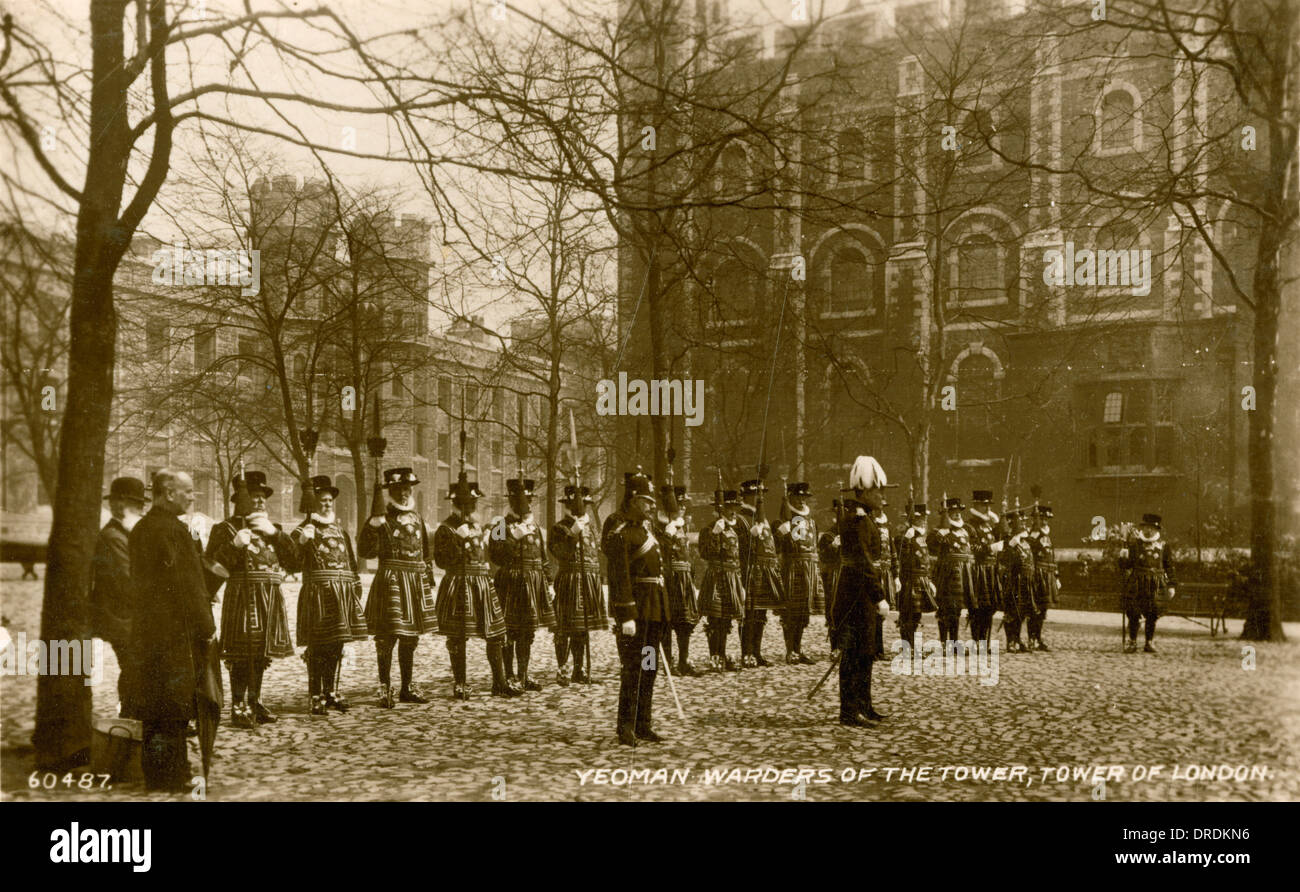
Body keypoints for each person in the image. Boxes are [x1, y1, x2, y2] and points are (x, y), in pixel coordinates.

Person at [129, 470, 216, 792]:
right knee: (176, 705)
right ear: (169, 492)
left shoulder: (142, 528)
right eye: (188, 491)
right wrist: (206, 625)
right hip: (175, 634)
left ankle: (156, 773)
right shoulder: (172, 530)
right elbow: (188, 585)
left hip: (148, 632)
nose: (193, 496)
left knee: (154, 705)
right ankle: (174, 774)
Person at [206, 470, 297, 728]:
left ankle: (255, 701)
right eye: (254, 496)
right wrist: (234, 545)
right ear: (239, 499)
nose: (259, 501)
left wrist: (277, 535)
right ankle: (238, 704)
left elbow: (294, 562)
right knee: (242, 652)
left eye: (262, 497)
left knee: (261, 653)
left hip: (270, 597)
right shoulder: (224, 529)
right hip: (242, 598)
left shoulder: (272, 529)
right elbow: (211, 566)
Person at [360, 467, 438, 708]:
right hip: (391, 581)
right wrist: (373, 526)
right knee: (387, 637)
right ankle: (385, 687)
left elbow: (425, 552)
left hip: (413, 582)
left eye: (407, 489)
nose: (404, 494)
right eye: (399, 489)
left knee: (410, 638)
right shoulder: (381, 518)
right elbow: (365, 551)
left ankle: (407, 686)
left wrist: (427, 577)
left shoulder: (417, 518)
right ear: (390, 491)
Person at [434, 474, 516, 698]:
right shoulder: (446, 529)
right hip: (459, 584)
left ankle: (499, 682)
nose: (471, 508)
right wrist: (456, 541)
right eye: (466, 505)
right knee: (459, 636)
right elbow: (441, 561)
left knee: (496, 634)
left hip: (482, 583)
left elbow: (499, 551)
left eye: (473, 504)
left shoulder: (483, 527)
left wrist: (506, 535)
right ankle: (460, 683)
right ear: (455, 505)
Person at [606, 473, 672, 746]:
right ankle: (625, 726)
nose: (650, 506)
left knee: (649, 666)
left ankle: (643, 723)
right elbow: (619, 575)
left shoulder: (647, 531)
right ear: (633, 500)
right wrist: (626, 615)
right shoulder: (620, 533)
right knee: (632, 669)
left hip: (654, 610)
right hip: (637, 612)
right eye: (645, 501)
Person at [292, 476, 366, 715]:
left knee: (336, 645)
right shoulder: (303, 530)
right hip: (317, 595)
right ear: (313, 503)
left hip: (341, 596)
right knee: (318, 647)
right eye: (322, 501)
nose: (326, 505)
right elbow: (291, 563)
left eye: (329, 501)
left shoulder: (340, 530)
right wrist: (302, 541)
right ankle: (315, 695)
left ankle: (331, 691)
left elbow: (351, 563)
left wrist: (355, 586)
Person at [830, 456, 892, 727]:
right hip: (855, 596)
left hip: (859, 594)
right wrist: (879, 596)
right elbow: (865, 563)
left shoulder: (863, 518)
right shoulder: (856, 520)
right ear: (864, 491)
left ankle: (864, 705)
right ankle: (849, 711)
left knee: (866, 651)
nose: (882, 496)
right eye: (878, 490)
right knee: (854, 653)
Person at [490, 478, 555, 692]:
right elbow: (496, 556)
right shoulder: (500, 523)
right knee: (510, 630)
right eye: (520, 500)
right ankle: (508, 676)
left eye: (528, 500)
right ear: (511, 500)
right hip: (511, 582)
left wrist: (549, 582)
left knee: (527, 632)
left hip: (533, 582)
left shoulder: (534, 525)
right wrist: (514, 537)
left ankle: (523, 675)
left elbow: (543, 556)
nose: (525, 504)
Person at [91, 476, 148, 717]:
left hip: (130, 616)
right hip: (122, 618)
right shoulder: (113, 537)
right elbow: (128, 580)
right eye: (136, 505)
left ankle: (136, 718)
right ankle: (131, 720)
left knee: (137, 670)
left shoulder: (126, 534)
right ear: (120, 505)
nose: (141, 511)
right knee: (135, 670)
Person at [549, 484, 608, 685]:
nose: (582, 509)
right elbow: (560, 553)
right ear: (567, 506)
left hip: (588, 580)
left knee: (582, 628)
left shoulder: (590, 528)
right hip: (570, 581)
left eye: (585, 505)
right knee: (564, 626)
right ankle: (562, 668)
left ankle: (579, 669)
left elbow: (596, 555)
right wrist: (573, 533)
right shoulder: (559, 528)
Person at [697, 487, 746, 671]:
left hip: (732, 577)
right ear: (721, 508)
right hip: (717, 577)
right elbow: (705, 553)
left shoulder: (735, 530)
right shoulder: (709, 528)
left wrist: (740, 583)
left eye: (735, 507)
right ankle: (714, 656)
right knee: (715, 618)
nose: (732, 511)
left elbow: (736, 557)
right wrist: (714, 535)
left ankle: (723, 654)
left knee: (726, 619)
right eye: (728, 507)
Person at [775, 481, 823, 664]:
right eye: (798, 497)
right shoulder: (784, 520)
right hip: (793, 569)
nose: (802, 501)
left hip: (809, 569)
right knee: (791, 611)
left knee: (803, 612)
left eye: (804, 497)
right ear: (791, 499)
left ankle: (798, 648)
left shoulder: (811, 521)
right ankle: (790, 650)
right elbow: (776, 548)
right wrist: (780, 533)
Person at [737, 479, 783, 667]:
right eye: (756, 495)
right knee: (748, 614)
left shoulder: (761, 518)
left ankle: (756, 651)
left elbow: (770, 547)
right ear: (747, 496)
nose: (759, 498)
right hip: (748, 570)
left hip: (764, 572)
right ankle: (746, 653)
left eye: (762, 495)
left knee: (760, 614)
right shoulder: (741, 519)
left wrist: (778, 534)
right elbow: (738, 548)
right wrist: (750, 536)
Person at [657, 484, 701, 676]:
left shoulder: (683, 526)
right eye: (679, 504)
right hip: (668, 579)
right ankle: (667, 662)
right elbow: (658, 553)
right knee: (666, 622)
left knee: (685, 623)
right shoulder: (658, 527)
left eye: (684, 505)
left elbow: (687, 554)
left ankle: (684, 660)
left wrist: (691, 575)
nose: (682, 508)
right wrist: (667, 534)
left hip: (683, 579)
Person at [1119, 513, 1176, 653]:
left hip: (1156, 583)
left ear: (1157, 530)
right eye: (1145, 527)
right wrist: (1122, 555)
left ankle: (1149, 642)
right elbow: (1126, 566)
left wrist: (1172, 585)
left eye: (1151, 528)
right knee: (1133, 612)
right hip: (1137, 582)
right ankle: (1132, 642)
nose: (1148, 530)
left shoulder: (1163, 546)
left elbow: (1169, 566)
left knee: (1152, 614)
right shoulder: (1134, 545)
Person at [930, 495, 977, 650]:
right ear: (947, 513)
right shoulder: (941, 531)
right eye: (953, 511)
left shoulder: (966, 531)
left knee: (957, 610)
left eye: (959, 511)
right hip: (947, 575)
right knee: (945, 609)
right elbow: (931, 546)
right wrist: (941, 533)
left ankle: (955, 642)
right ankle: (944, 642)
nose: (957, 514)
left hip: (963, 575)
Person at [896, 502, 934, 649]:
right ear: (913, 519)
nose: (923, 520)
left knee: (917, 615)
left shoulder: (921, 537)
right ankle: (907, 646)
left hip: (921, 579)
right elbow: (901, 557)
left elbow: (925, 559)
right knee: (907, 615)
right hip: (909, 579)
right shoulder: (903, 536)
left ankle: (913, 646)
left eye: (924, 517)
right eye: (920, 518)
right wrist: (906, 540)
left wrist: (929, 580)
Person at [967, 490, 1002, 649]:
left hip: (991, 570)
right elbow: (972, 547)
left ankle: (985, 643)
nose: (987, 508)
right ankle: (976, 641)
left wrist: (998, 523)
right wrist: (990, 548)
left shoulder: (989, 525)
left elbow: (1003, 538)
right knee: (978, 607)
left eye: (988, 505)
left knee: (990, 607)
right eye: (983, 505)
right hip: (979, 570)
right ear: (976, 505)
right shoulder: (970, 525)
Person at [867, 496, 899, 660]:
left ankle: (879, 650)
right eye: (877, 508)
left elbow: (893, 552)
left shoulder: (887, 527)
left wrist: (896, 575)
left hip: (886, 573)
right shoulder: (869, 526)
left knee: (881, 614)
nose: (880, 511)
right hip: (873, 573)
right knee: (872, 612)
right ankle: (870, 650)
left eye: (882, 508)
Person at [1000, 506, 1035, 653]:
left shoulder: (1026, 541)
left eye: (1024, 521)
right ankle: (1010, 641)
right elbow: (1003, 559)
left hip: (1026, 581)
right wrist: (1010, 545)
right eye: (1021, 522)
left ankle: (1018, 639)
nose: (1024, 524)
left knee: (1022, 612)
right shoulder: (1009, 541)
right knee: (1012, 612)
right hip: (1013, 582)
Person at [1026, 503, 1059, 652]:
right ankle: (1031, 639)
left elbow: (1051, 556)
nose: (1044, 522)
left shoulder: (1047, 535)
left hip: (1048, 574)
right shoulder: (1033, 535)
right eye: (1041, 519)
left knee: (1043, 608)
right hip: (1037, 574)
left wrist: (1056, 576)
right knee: (1035, 608)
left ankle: (1038, 638)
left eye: (1046, 519)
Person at [818, 499, 842, 631]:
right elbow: (822, 556)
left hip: (848, 574)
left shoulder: (852, 533)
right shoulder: (828, 535)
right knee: (833, 605)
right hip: (833, 574)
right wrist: (833, 546)